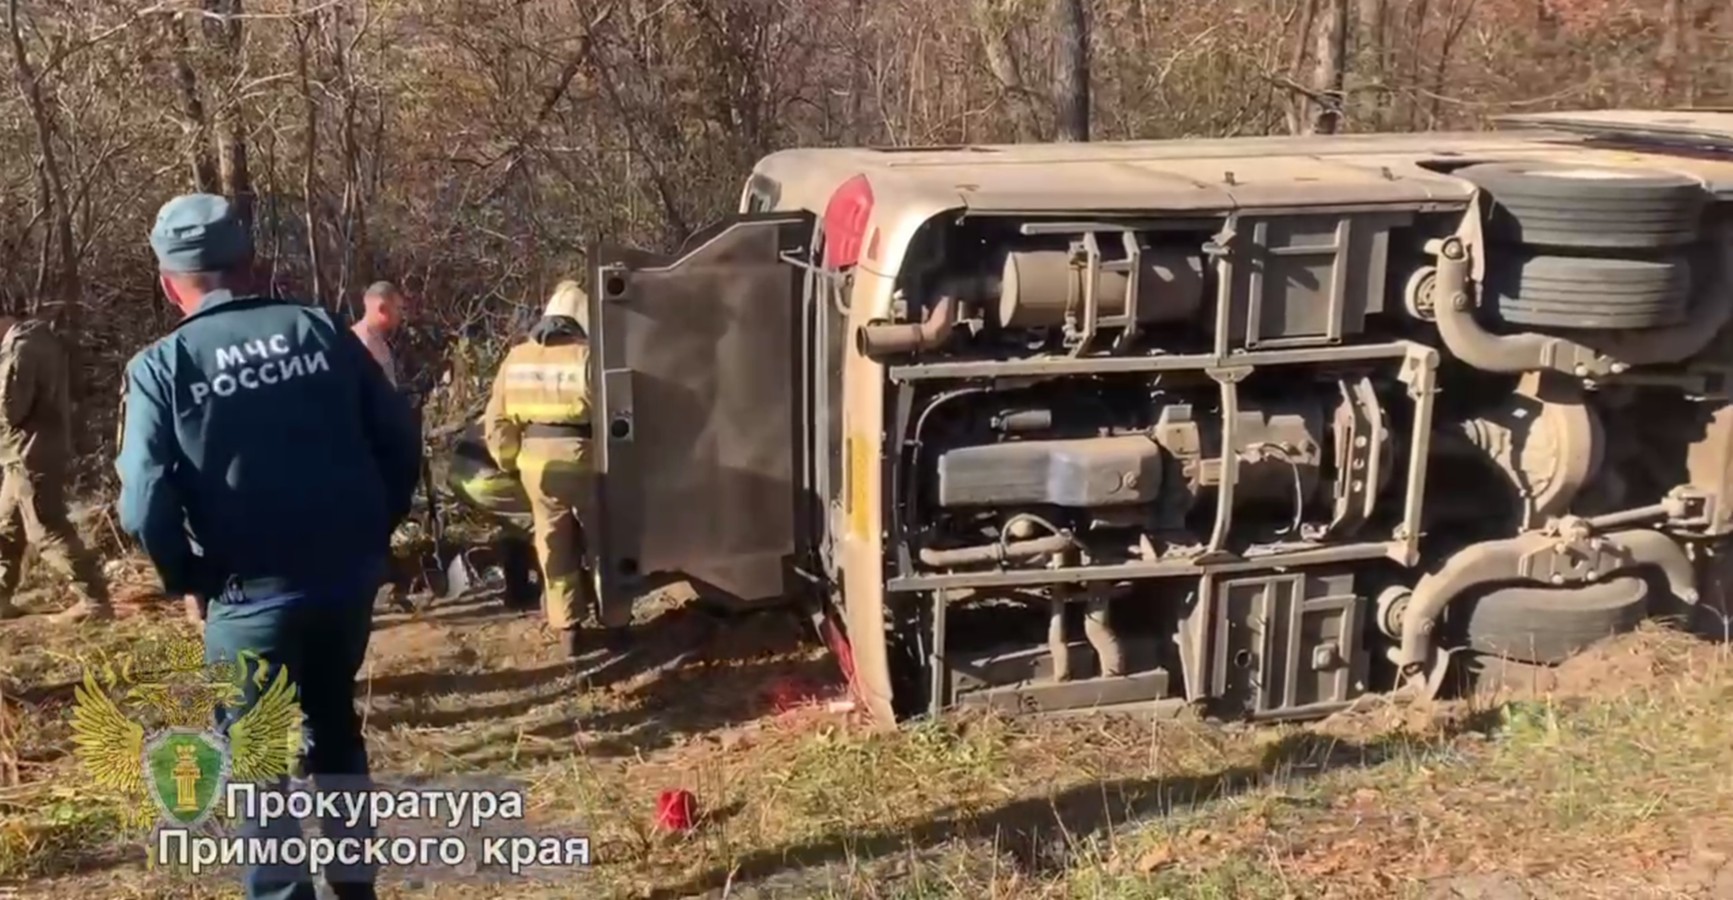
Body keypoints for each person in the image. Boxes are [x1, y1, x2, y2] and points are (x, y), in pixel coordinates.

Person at [117, 193, 419, 900]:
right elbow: (399, 441)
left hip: (247, 595)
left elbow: (142, 502)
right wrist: (373, 532)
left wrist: (187, 576)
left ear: (168, 283)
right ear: (250, 263)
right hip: (344, 583)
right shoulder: (317, 327)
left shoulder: (163, 366)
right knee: (336, 733)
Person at [483, 280, 621, 661]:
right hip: (585, 457)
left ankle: (568, 631)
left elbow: (496, 421)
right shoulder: (590, 356)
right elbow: (615, 416)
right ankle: (615, 619)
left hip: (536, 464)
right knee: (602, 543)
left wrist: (509, 461)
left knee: (552, 546)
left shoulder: (517, 357)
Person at [0, 311, 113, 622]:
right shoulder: (42, 339)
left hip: (30, 453)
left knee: (45, 528)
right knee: (7, 527)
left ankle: (93, 600)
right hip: (25, 451)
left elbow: (11, 409)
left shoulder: (19, 350)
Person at [350, 281, 405, 387]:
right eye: (397, 308)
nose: (400, 314)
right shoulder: (357, 342)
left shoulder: (380, 340)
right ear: (382, 309)